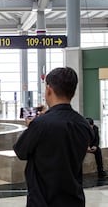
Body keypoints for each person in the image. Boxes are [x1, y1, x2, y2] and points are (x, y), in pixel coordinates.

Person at [13, 67, 94, 207]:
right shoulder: (83, 124)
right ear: (73, 92)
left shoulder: (40, 125)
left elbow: (21, 151)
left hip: (43, 201)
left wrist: (33, 126)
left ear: (49, 89)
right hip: (74, 200)